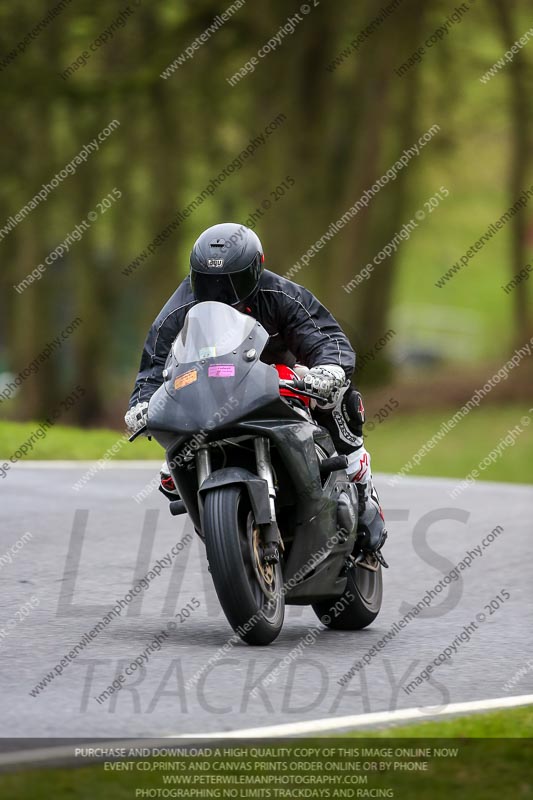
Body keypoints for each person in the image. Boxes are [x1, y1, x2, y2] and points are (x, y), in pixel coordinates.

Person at [125, 223, 387, 559]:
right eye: (209, 281)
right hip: (208, 394)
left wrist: (329, 368)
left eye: (231, 280)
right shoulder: (178, 308)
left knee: (341, 399)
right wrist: (143, 402)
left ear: (256, 270)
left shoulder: (280, 294)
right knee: (169, 475)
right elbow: (154, 362)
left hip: (279, 382)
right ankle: (227, 535)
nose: (220, 290)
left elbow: (323, 336)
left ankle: (361, 488)